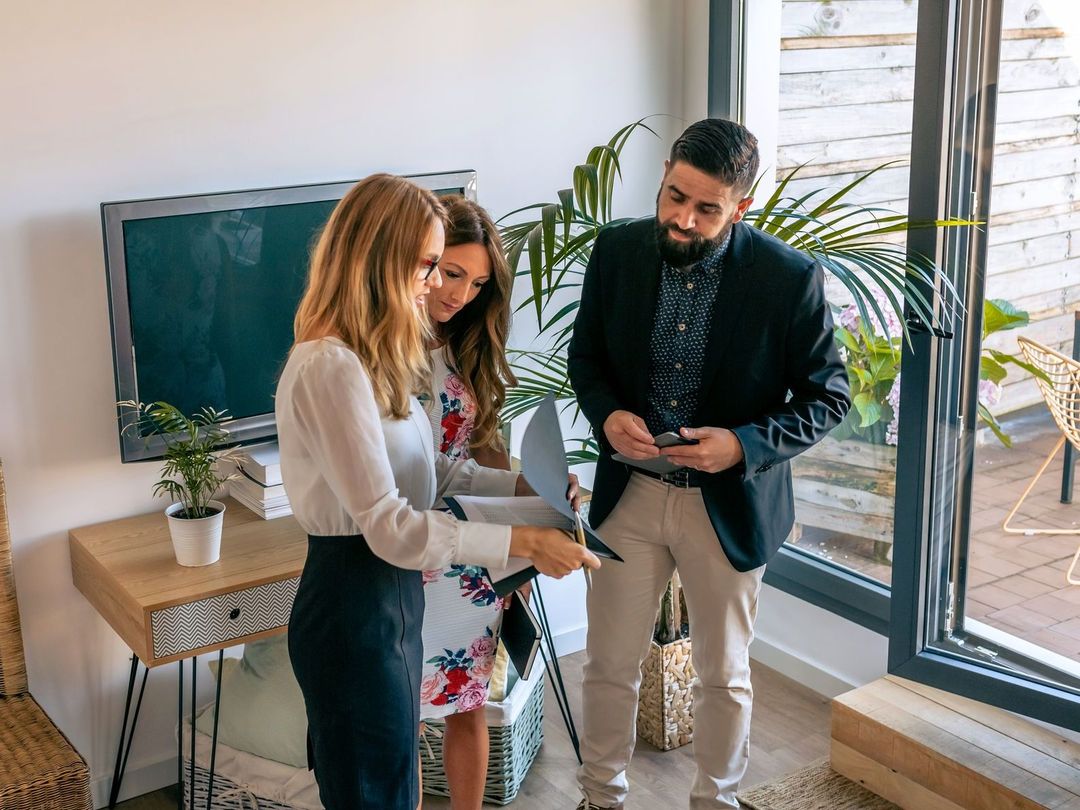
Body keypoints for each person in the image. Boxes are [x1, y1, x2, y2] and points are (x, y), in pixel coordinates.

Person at [275, 173, 600, 810]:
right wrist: (524, 538)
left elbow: (440, 477)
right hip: (354, 602)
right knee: (377, 792)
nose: (434, 285)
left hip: (395, 598)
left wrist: (524, 488)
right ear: (379, 258)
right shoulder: (329, 365)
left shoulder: (376, 358)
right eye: (429, 264)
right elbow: (390, 525)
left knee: (392, 783)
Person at [567, 119, 851, 810]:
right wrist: (607, 414)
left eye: (706, 209)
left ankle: (715, 802)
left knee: (722, 677)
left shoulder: (789, 279)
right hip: (629, 496)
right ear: (664, 173)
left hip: (728, 506)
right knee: (609, 665)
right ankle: (599, 798)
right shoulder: (616, 251)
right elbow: (588, 360)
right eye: (674, 196)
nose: (682, 219)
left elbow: (829, 395)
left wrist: (743, 444)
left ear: (742, 206)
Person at [417, 195, 518, 809]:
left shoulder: (466, 345)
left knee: (467, 703)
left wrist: (519, 544)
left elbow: (485, 449)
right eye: (452, 273)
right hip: (404, 544)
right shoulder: (375, 349)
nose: (460, 294)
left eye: (477, 283)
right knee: (398, 713)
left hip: (472, 560)